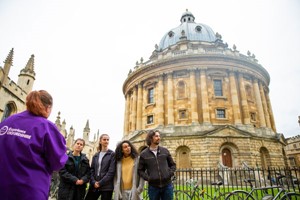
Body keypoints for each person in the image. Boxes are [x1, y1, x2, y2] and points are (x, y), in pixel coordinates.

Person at [0, 90, 68, 200]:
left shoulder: (8, 121)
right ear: (48, 108)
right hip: (29, 191)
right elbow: (58, 162)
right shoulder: (46, 127)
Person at [138, 130, 176, 200]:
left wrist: (169, 174)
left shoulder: (165, 151)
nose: (159, 138)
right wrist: (149, 178)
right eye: (156, 136)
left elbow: (173, 165)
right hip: (153, 187)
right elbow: (140, 170)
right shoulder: (144, 154)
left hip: (167, 185)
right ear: (150, 138)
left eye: (159, 136)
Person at [85, 134, 115, 200]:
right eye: (104, 139)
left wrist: (100, 183)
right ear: (100, 141)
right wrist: (93, 182)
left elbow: (111, 172)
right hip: (94, 185)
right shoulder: (96, 155)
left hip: (107, 187)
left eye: (108, 140)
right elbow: (92, 170)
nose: (106, 141)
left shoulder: (112, 154)